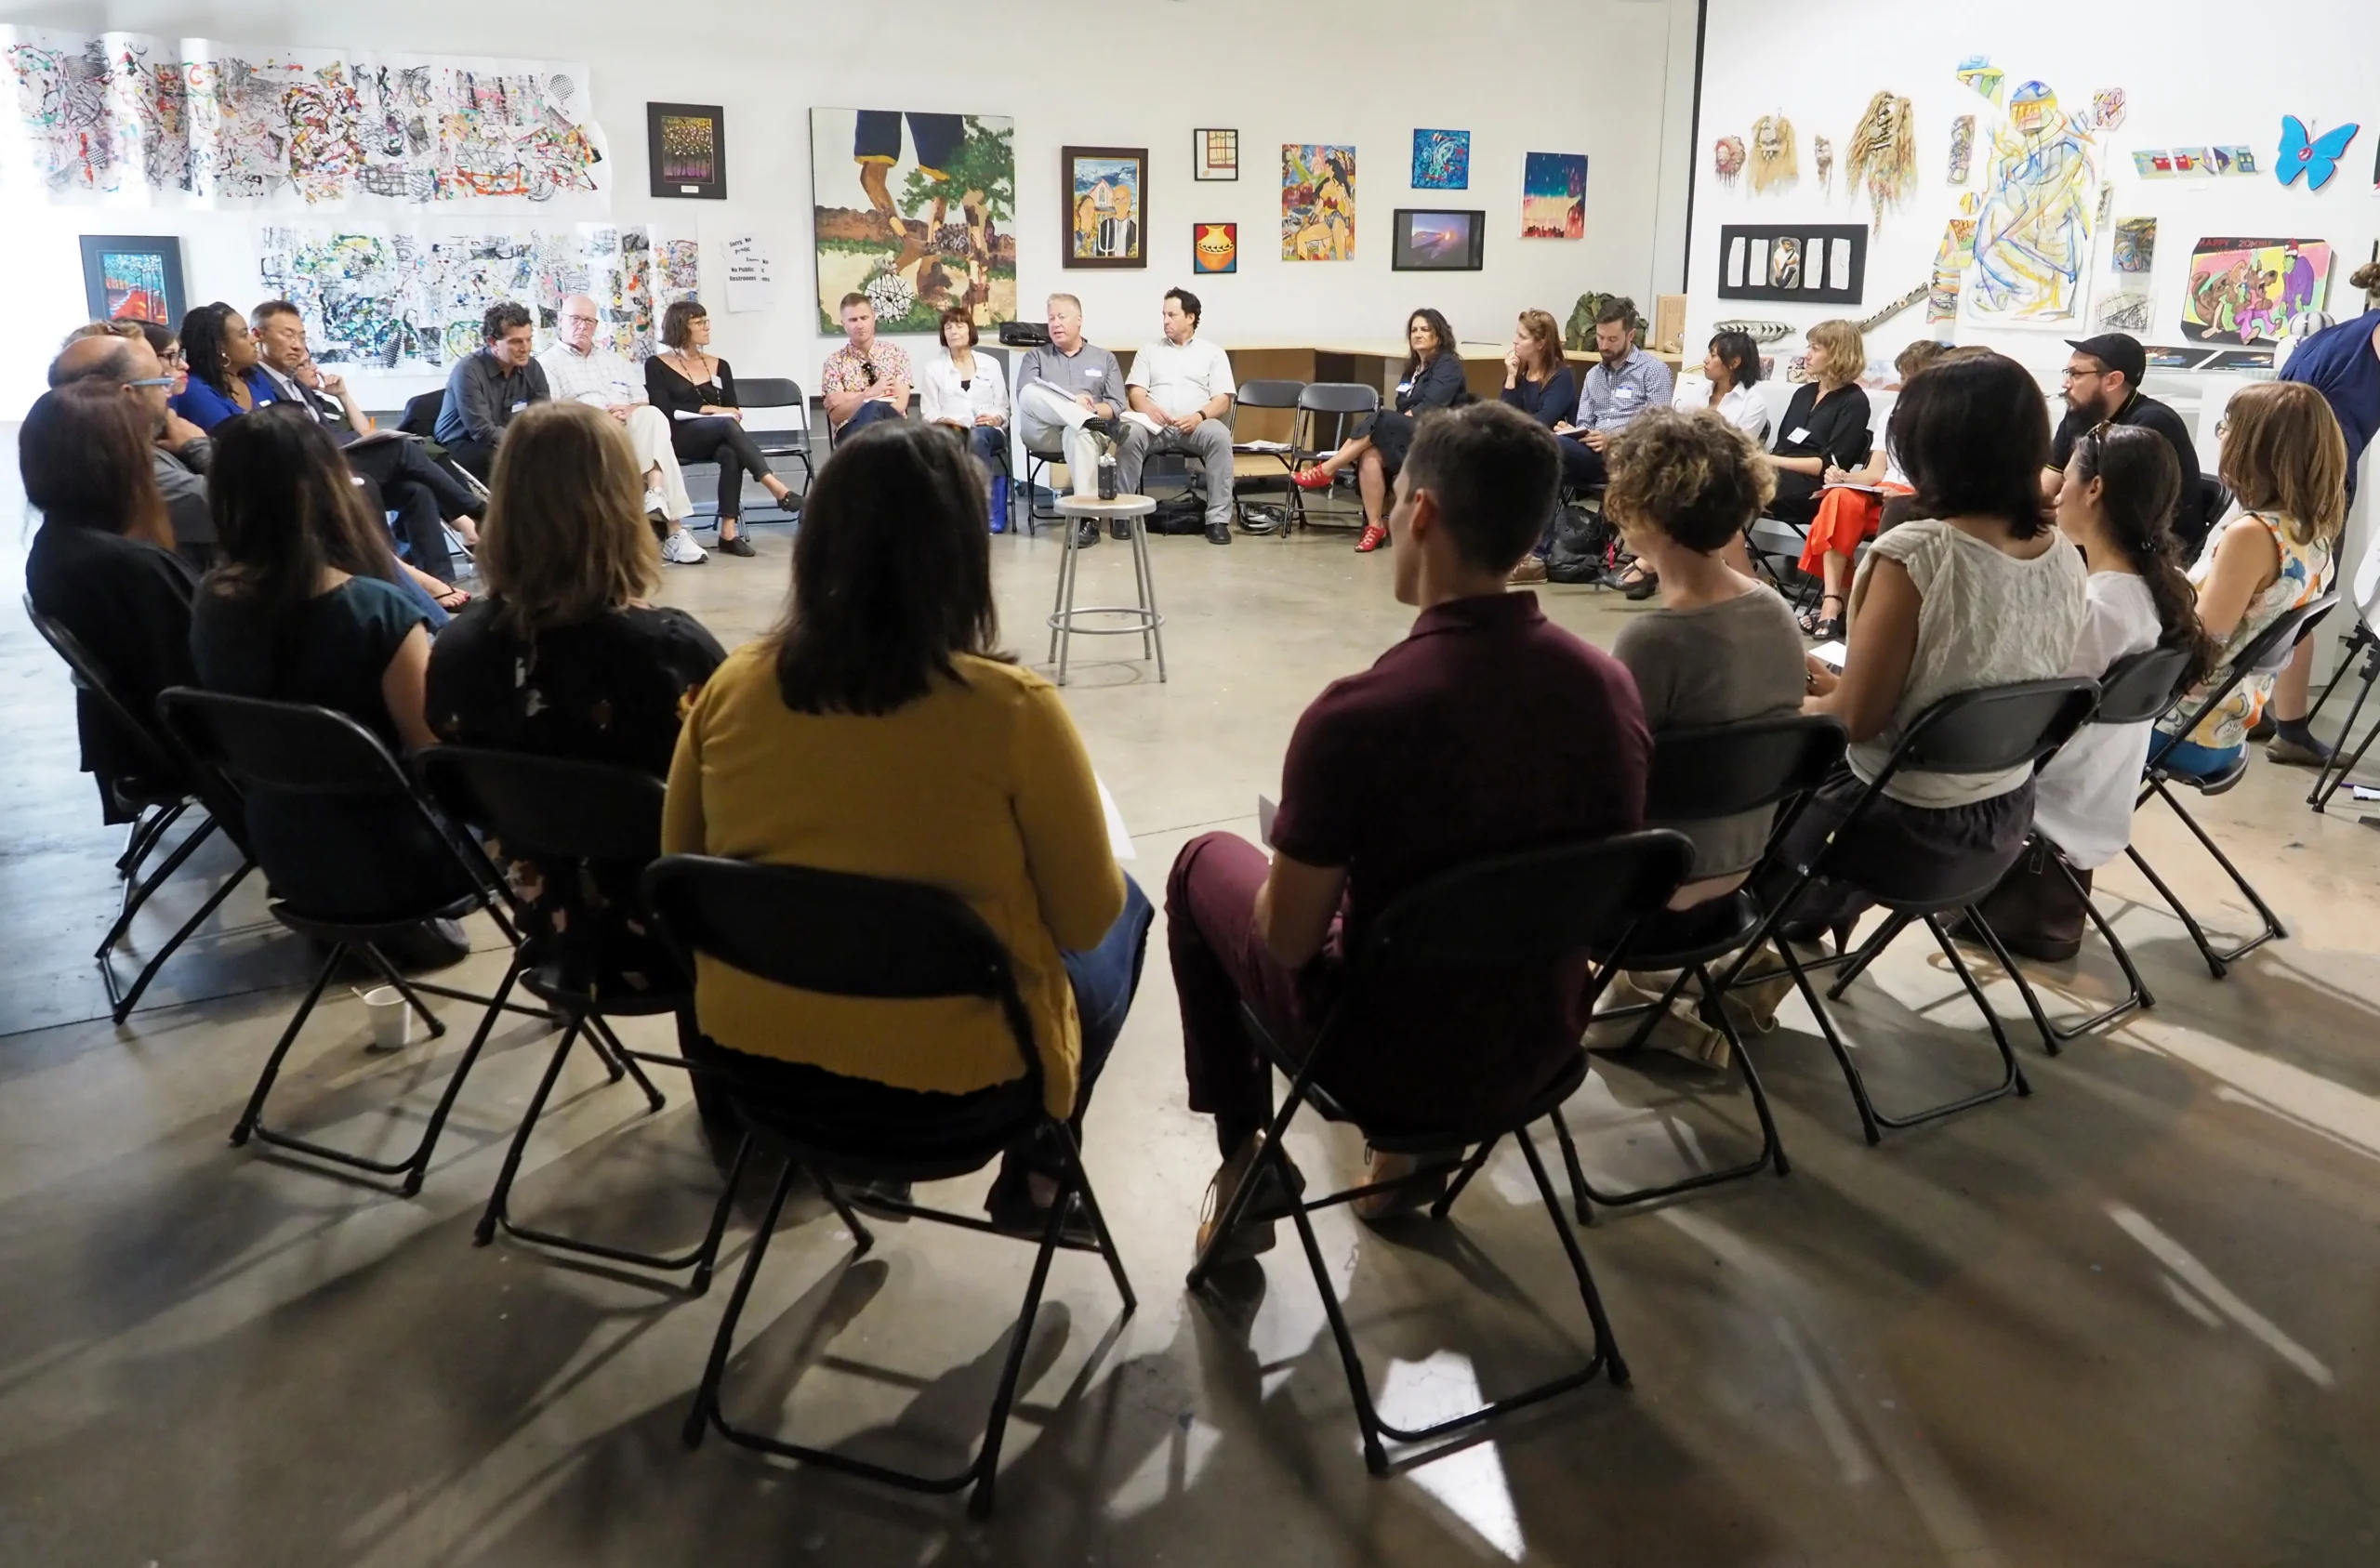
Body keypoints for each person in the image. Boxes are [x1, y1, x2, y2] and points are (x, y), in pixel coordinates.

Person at [1168, 402, 1650, 1254]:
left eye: (1394, 502)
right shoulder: (1607, 687)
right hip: (1540, 1037)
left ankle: (1246, 1158)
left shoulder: (1357, 717)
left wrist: (1317, 875)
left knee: (1203, 860)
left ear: (1420, 511)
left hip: (1383, 1060)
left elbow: (1285, 942)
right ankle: (1406, 1161)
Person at [662, 420, 1153, 1237]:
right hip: (962, 1088)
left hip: (761, 1065)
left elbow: (678, 868)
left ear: (816, 547)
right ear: (961, 557)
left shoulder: (730, 690)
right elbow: (1084, 919)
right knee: (1128, 906)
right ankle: (1037, 1176)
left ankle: (883, 1169)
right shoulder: (1012, 712)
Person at [1779, 351, 2087, 943]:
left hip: (1899, 823)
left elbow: (1856, 723)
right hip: (2003, 816)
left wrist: (1774, 705)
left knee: (1735, 768)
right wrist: (1841, 691)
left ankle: (1783, 926)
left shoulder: (1918, 554)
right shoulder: (2064, 555)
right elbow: (1970, 682)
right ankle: (1804, 922)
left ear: (1927, 445)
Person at [428, 402, 727, 1003]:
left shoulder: (457, 649)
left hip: (552, 931)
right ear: (619, 507)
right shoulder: (667, 651)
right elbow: (737, 791)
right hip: (682, 938)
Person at [190, 405, 479, 936]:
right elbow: (440, 764)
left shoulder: (211, 600)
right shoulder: (374, 610)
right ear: (331, 487)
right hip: (406, 863)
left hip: (285, 856)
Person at [1604, 407, 1809, 1061]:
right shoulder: (1774, 610)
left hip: (1655, 887)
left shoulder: (1653, 639)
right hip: (1741, 863)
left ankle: (1631, 1002)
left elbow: (1604, 782)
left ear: (1646, 510)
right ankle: (1671, 989)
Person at [1966, 425, 2215, 961]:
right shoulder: (2158, 592)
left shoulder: (2100, 610)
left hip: (2036, 798)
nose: (2057, 493)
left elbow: (2010, 712)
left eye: (2068, 478)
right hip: (2090, 796)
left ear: (2095, 488)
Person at [2149, 381, 2347, 782]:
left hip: (2180, 730)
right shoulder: (2312, 532)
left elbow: (2197, 647)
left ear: (2257, 447)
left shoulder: (2252, 535)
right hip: (2221, 728)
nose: (2221, 435)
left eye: (2228, 425)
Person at [21, 383, 201, 822]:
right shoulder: (130, 566)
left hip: (139, 742)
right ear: (117, 461)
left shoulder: (55, 546)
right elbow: (206, 674)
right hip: (197, 742)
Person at [250, 299, 486, 584]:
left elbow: (349, 431)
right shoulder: (257, 382)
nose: (298, 346)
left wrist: (343, 399)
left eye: (301, 337)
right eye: (288, 335)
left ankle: (441, 581)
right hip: (315, 468)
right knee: (402, 449)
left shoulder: (299, 385)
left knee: (417, 490)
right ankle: (476, 511)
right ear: (258, 335)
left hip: (339, 456)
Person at [2266, 260, 2380, 767]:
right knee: (2305, 600)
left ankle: (2257, 709)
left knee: (2278, 595)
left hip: (2277, 469)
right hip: (2315, 475)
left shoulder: (2337, 336)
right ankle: (2290, 731)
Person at [1792, 339, 1950, 639]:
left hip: (1920, 498)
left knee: (1886, 508)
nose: (1906, 384)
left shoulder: (1950, 418)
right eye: (1903, 376)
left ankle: (1851, 606)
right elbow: (1876, 472)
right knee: (1839, 497)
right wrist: (1844, 478)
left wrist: (1910, 495)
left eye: (1913, 377)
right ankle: (1832, 600)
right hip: (1883, 491)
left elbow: (1948, 481)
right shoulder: (1892, 412)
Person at [536, 295, 711, 564]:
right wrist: (596, 417)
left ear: (596, 325)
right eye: (575, 319)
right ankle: (674, 530)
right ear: (561, 320)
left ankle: (655, 494)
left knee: (652, 415)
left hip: (626, 429)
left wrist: (629, 410)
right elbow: (552, 413)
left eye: (589, 321)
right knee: (656, 443)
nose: (582, 326)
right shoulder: (547, 364)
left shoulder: (614, 360)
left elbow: (642, 400)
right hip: (585, 435)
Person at [1290, 308, 1468, 553]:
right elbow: (1403, 403)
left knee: (1382, 418)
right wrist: (1398, 421)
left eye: (1425, 330)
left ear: (1439, 335)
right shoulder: (1412, 369)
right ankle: (1375, 527)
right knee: (1369, 455)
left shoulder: (1448, 365)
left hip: (1435, 437)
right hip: (1410, 434)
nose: (1417, 334)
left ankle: (1328, 469)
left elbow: (1431, 406)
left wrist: (1396, 421)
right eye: (1414, 330)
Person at [646, 299, 802, 561]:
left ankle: (728, 533)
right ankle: (775, 486)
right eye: (699, 323)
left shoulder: (720, 365)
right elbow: (663, 409)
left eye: (706, 321)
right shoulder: (656, 364)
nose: (706, 327)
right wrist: (707, 409)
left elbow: (732, 409)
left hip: (717, 433)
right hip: (677, 436)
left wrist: (720, 413)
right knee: (726, 424)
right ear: (681, 327)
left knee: (731, 450)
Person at [49, 332, 216, 561]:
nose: (167, 393)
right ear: (128, 394)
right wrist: (199, 446)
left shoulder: (80, 449)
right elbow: (254, 505)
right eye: (160, 382)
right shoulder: (127, 466)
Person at [1557, 297, 1679, 597]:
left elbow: (1660, 426)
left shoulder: (1653, 371)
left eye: (1612, 339)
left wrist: (1614, 438)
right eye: (1600, 337)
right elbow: (1585, 421)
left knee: (1547, 450)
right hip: (1592, 454)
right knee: (1544, 455)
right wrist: (1573, 432)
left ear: (1630, 335)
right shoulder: (1593, 375)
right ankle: (1544, 550)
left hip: (1633, 456)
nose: (1604, 345)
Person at [2043, 333, 2205, 551]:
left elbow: (2111, 511)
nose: (2066, 383)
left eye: (2076, 374)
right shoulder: (2080, 414)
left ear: (2112, 381)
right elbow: (2048, 483)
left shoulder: (2152, 424)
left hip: (2151, 548)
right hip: (2099, 532)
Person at [1119, 287, 1238, 546]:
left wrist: (1199, 416)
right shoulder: (1149, 351)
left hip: (1196, 425)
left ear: (1190, 317)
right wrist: (1148, 408)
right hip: (1154, 426)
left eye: (1172, 315)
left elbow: (1222, 400)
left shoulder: (1213, 353)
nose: (1165, 320)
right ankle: (1123, 514)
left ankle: (1217, 520)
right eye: (1163, 315)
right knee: (1128, 435)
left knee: (1220, 437)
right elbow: (1136, 393)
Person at [1014, 294, 1130, 549]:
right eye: (1051, 318)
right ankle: (1089, 421)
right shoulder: (1035, 357)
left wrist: (1093, 408)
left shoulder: (1104, 358)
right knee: (1030, 392)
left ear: (1079, 320)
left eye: (1061, 317)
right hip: (1044, 433)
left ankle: (1088, 521)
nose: (1055, 324)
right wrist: (1074, 403)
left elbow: (1117, 405)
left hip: (1083, 436)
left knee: (1078, 433)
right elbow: (1025, 398)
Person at [434, 302, 550, 481]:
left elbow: (544, 416)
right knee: (512, 462)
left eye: (528, 339)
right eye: (516, 341)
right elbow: (482, 431)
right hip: (462, 444)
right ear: (493, 343)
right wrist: (525, 445)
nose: (525, 348)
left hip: (508, 440)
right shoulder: (468, 370)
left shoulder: (532, 367)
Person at [918, 302, 1012, 494]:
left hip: (987, 431)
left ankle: (979, 499)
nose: (954, 331)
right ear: (943, 334)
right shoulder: (933, 369)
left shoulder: (991, 364)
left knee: (977, 438)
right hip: (951, 431)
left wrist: (996, 419)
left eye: (960, 326)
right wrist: (943, 420)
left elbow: (1003, 407)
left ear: (970, 330)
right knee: (953, 440)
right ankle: (963, 500)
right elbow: (928, 413)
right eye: (948, 327)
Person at [167, 302, 278, 432]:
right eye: (243, 335)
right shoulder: (195, 391)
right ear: (219, 347)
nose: (254, 340)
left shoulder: (254, 376)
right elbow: (230, 441)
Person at [820, 293, 913, 443]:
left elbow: (900, 404)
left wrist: (849, 397)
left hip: (895, 428)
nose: (860, 325)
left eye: (864, 318)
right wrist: (869, 394)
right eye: (853, 320)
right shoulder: (833, 362)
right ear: (843, 324)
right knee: (872, 411)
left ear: (873, 318)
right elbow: (837, 417)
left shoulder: (897, 354)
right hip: (852, 432)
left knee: (874, 408)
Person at [1673, 329, 1770, 441]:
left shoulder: (1753, 404)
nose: (1705, 360)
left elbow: (1739, 447)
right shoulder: (1697, 390)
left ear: (1734, 363)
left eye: (1713, 355)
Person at [1499, 309, 1579, 431]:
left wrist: (1511, 426)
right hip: (1520, 436)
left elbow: (1544, 420)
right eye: (1517, 334)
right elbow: (1504, 415)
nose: (1515, 341)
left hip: (1548, 439)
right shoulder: (1520, 370)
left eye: (1522, 337)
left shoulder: (1562, 376)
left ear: (1540, 344)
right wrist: (1511, 376)